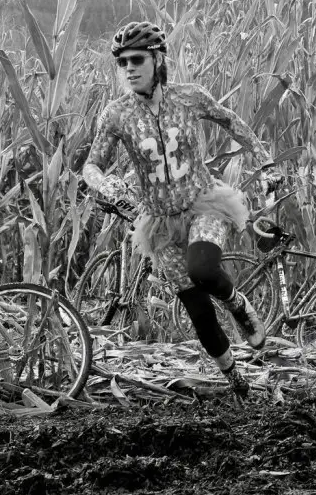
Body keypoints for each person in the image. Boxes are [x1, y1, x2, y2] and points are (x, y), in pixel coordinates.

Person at [82, 21, 272, 396]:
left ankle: (239, 307)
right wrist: (106, 184)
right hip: (158, 221)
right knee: (199, 314)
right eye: (122, 63)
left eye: (137, 59)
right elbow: (91, 165)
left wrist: (266, 163)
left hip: (203, 202)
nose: (129, 68)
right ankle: (237, 382)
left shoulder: (190, 97)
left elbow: (233, 123)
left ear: (157, 59)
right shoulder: (116, 114)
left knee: (202, 269)